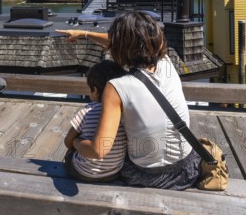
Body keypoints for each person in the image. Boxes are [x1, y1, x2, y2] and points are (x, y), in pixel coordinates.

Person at [56, 11, 200, 190]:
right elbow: (119, 43)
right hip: (186, 168)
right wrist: (84, 34)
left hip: (146, 176)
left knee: (86, 151)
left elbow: (98, 150)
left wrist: (75, 143)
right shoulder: (166, 63)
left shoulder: (117, 87)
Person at [63, 60, 127, 182]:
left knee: (70, 153)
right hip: (113, 173)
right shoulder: (124, 112)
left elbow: (68, 142)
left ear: (95, 90)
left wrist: (77, 141)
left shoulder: (87, 111)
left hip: (82, 172)